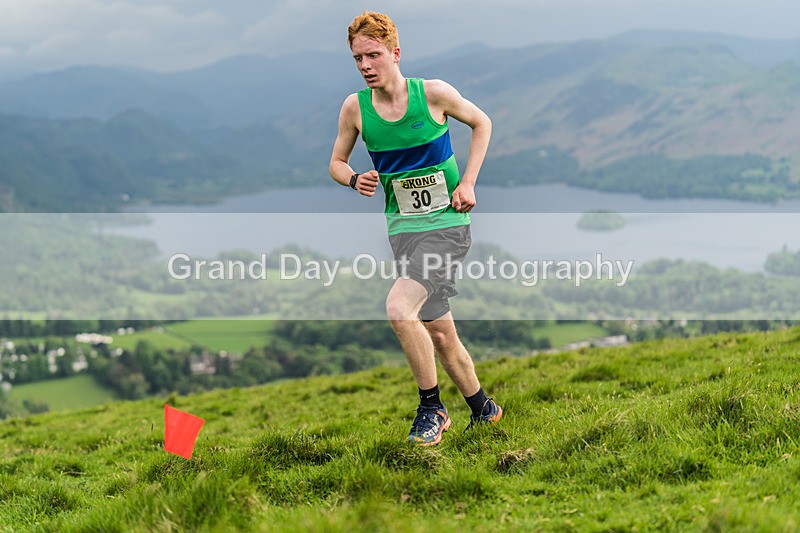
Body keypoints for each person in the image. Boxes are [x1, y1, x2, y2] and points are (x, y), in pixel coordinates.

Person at [329, 11, 502, 446]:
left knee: (398, 309)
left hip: (447, 225)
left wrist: (467, 182)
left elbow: (482, 123)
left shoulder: (434, 94)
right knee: (439, 331)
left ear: (395, 53)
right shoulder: (356, 108)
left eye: (373, 55)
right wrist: (353, 177)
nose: (366, 65)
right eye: (357, 59)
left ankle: (431, 408)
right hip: (403, 231)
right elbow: (335, 163)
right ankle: (484, 408)